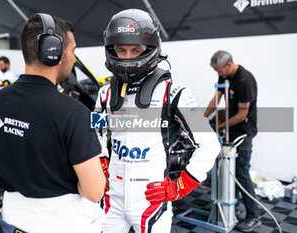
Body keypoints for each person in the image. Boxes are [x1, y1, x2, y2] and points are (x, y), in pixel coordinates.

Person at [95, 9, 220, 233]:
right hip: (112, 196)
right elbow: (94, 132)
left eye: (135, 50)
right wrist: (101, 164)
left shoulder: (175, 93)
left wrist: (181, 185)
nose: (127, 57)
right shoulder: (104, 94)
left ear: (151, 49)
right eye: (121, 50)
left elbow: (210, 144)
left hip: (151, 198)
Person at [0, 13, 106, 233]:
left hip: (11, 222)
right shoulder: (74, 113)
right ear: (53, 50)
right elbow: (95, 191)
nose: (74, 59)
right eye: (73, 50)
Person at [204, 50, 260, 232]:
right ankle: (232, 206)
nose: (218, 75)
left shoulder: (245, 81)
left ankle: (254, 216)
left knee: (241, 172)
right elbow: (216, 99)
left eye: (219, 71)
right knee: (228, 170)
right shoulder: (224, 76)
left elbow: (243, 114)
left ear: (228, 65)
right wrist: (201, 120)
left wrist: (219, 127)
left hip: (244, 130)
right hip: (229, 126)